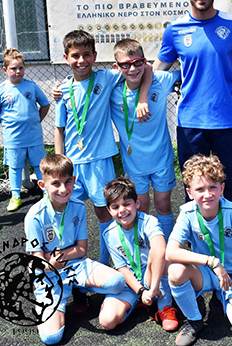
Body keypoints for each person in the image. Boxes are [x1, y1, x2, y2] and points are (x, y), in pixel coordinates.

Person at [147, 0, 232, 214]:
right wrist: (125, 83)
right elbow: (156, 72)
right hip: (190, 123)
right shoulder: (175, 30)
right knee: (194, 190)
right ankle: (197, 238)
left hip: (227, 122)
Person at [54, 30, 150, 264]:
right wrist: (58, 163)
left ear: (95, 56)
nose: (81, 60)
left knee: (104, 210)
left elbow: (145, 68)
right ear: (66, 58)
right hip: (72, 163)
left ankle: (109, 259)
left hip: (100, 161)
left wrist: (144, 97)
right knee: (66, 209)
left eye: (86, 54)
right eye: (75, 55)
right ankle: (69, 257)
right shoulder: (62, 90)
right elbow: (59, 129)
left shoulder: (106, 78)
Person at [24, 154, 126, 345]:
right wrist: (50, 263)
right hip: (49, 275)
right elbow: (36, 260)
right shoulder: (34, 216)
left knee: (118, 282)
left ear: (74, 180)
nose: (63, 189)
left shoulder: (78, 206)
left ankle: (78, 288)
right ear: (42, 185)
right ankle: (58, 300)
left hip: (75, 265)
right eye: (55, 183)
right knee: (51, 338)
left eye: (67, 182)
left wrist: (56, 256)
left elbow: (82, 249)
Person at [166, 154, 232, 346]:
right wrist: (212, 262)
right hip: (207, 272)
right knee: (175, 270)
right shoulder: (187, 213)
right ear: (189, 192)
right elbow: (170, 252)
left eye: (212, 187)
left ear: (222, 189)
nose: (207, 194)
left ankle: (225, 296)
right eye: (200, 189)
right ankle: (194, 320)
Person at [110, 38, 178, 240]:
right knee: (141, 207)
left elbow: (190, 72)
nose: (132, 69)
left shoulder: (160, 81)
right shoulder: (112, 91)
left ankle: (168, 249)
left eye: (137, 62)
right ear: (116, 67)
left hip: (162, 159)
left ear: (144, 62)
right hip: (134, 164)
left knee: (163, 205)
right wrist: (59, 90)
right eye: (125, 65)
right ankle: (145, 248)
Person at [101, 177, 179, 331]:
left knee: (161, 255)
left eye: (126, 204)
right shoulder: (109, 234)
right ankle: (137, 301)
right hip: (131, 283)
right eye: (115, 207)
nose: (122, 210)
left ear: (137, 203)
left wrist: (153, 287)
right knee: (107, 322)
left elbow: (160, 250)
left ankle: (165, 307)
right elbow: (122, 268)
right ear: (109, 210)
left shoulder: (149, 222)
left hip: (153, 276)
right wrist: (141, 291)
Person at [0, 48, 50, 212]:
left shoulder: (31, 86)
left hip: (34, 136)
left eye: (20, 68)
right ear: (5, 70)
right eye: (13, 68)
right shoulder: (0, 90)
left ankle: (46, 192)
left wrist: (36, 120)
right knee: (15, 167)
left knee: (39, 164)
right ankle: (15, 196)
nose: (17, 71)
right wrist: (7, 123)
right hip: (13, 138)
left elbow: (45, 104)